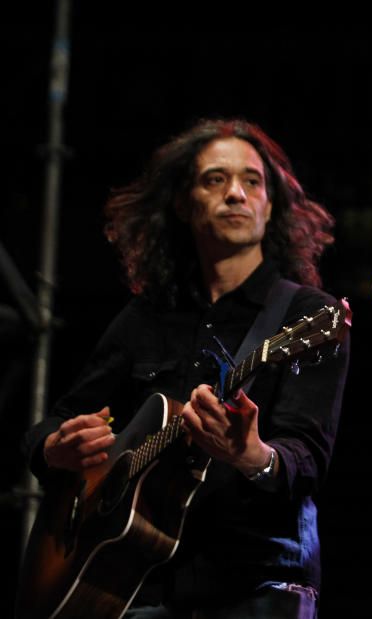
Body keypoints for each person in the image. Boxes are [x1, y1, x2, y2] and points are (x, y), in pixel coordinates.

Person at [20, 118, 350, 618]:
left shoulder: (306, 316)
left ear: (270, 205)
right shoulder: (146, 317)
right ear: (182, 203)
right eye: (215, 179)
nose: (236, 194)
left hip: (255, 587)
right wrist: (54, 448)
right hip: (138, 591)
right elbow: (57, 420)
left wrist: (252, 454)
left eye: (252, 181)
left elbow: (306, 457)